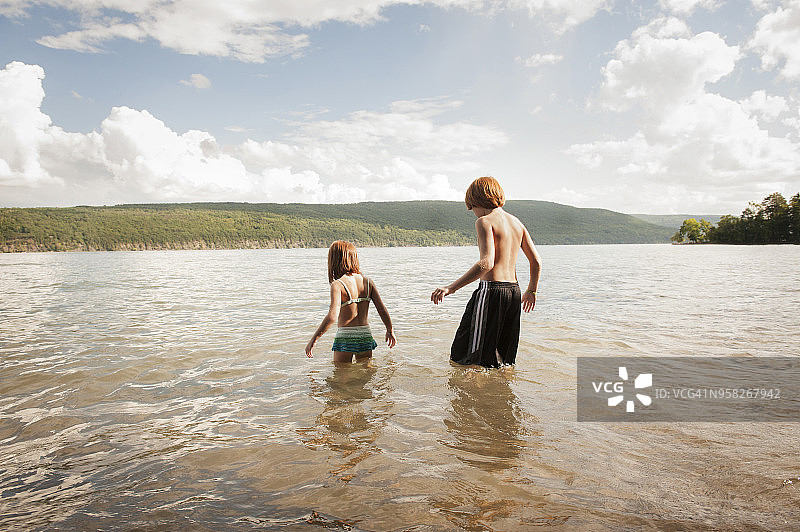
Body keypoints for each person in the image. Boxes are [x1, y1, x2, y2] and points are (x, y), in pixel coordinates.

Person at [431, 176, 541, 368]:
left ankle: (473, 387)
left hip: (491, 291)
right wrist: (531, 290)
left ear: (477, 201)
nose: (473, 213)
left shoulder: (484, 221)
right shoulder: (517, 223)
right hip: (514, 292)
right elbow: (536, 261)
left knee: (466, 354)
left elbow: (486, 263)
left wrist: (451, 288)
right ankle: (502, 386)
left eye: (472, 207)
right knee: (504, 357)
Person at [306, 240, 397, 363]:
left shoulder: (338, 284)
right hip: (365, 335)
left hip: (345, 336)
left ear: (334, 261)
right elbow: (382, 309)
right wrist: (389, 330)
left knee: (341, 372)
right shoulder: (368, 282)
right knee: (367, 370)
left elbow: (332, 317)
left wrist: (314, 339)